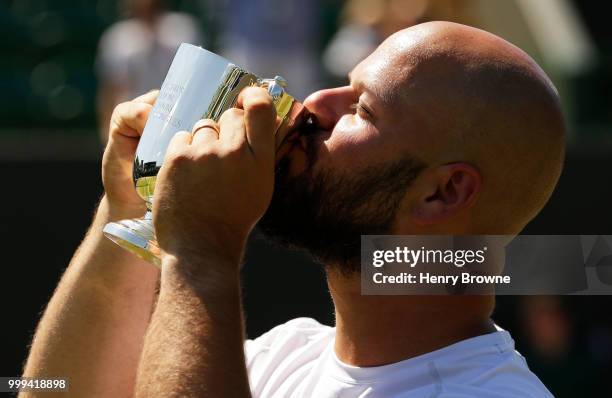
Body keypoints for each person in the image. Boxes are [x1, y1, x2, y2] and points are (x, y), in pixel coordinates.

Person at [22, 22, 563, 397]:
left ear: (442, 194)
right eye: (342, 86)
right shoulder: (285, 355)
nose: (315, 105)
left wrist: (200, 249)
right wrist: (128, 201)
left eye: (361, 109)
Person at [96, 0, 203, 143]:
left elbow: (195, 83)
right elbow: (109, 91)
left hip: (177, 126)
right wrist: (107, 133)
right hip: (133, 129)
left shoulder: (184, 30)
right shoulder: (117, 38)